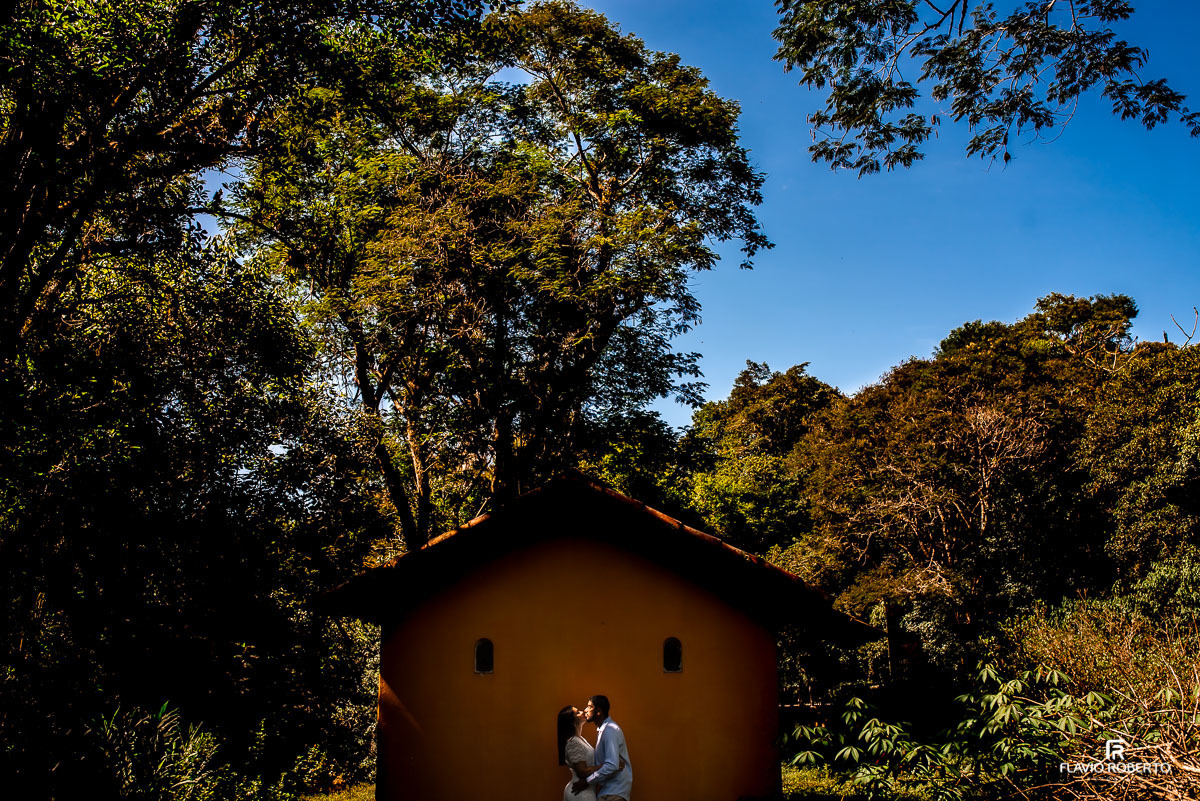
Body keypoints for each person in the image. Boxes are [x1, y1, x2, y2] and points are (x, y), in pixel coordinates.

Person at [557, 705, 625, 801]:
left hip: (586, 790)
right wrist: (609, 764)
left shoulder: (580, 739)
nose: (583, 712)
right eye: (578, 712)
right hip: (579, 793)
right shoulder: (573, 742)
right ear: (572, 721)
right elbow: (583, 772)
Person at [572, 694, 632, 801]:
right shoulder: (604, 730)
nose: (585, 710)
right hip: (607, 791)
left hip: (614, 792)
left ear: (598, 711)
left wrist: (587, 781)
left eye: (590, 707)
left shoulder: (610, 731)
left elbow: (612, 765)